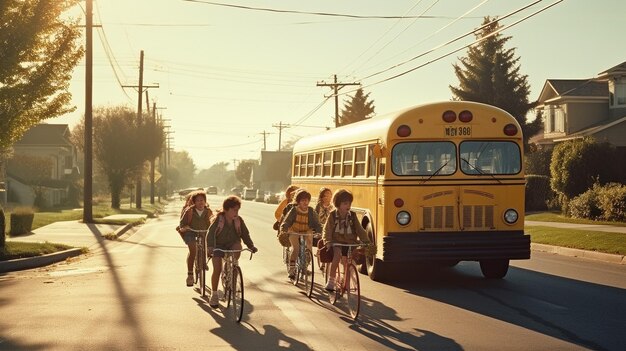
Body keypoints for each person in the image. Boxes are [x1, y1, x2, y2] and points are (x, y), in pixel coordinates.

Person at [206, 196, 258, 308]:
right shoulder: (219, 220)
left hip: (232, 244)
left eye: (238, 210)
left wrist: (251, 246)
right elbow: (210, 234)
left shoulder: (239, 220)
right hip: (218, 246)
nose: (236, 212)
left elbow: (245, 234)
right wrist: (210, 247)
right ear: (226, 209)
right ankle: (214, 294)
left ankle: (232, 272)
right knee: (217, 269)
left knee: (237, 248)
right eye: (234, 210)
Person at [322, 189, 370, 291]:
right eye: (345, 203)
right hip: (336, 242)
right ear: (338, 204)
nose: (348, 206)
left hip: (350, 242)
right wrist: (328, 242)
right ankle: (331, 280)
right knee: (337, 255)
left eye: (349, 203)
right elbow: (327, 229)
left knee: (349, 261)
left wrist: (366, 241)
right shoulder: (332, 215)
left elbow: (359, 229)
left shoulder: (352, 215)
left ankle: (346, 282)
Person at [280, 189, 322, 280]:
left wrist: (319, 231)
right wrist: (284, 229)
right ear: (298, 202)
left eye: (307, 200)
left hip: (306, 231)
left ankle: (305, 266)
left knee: (309, 247)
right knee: (296, 248)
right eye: (303, 200)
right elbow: (286, 221)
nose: (305, 202)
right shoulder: (294, 210)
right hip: (294, 230)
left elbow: (317, 223)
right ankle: (292, 269)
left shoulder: (311, 211)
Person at [177, 190, 213, 287]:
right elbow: (182, 223)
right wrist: (185, 227)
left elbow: (213, 222)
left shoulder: (208, 211)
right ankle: (190, 275)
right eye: (198, 200)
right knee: (193, 251)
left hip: (204, 232)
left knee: (206, 245)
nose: (200, 202)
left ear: (205, 201)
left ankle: (203, 262)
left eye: (202, 200)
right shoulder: (189, 211)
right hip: (190, 232)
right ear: (194, 202)